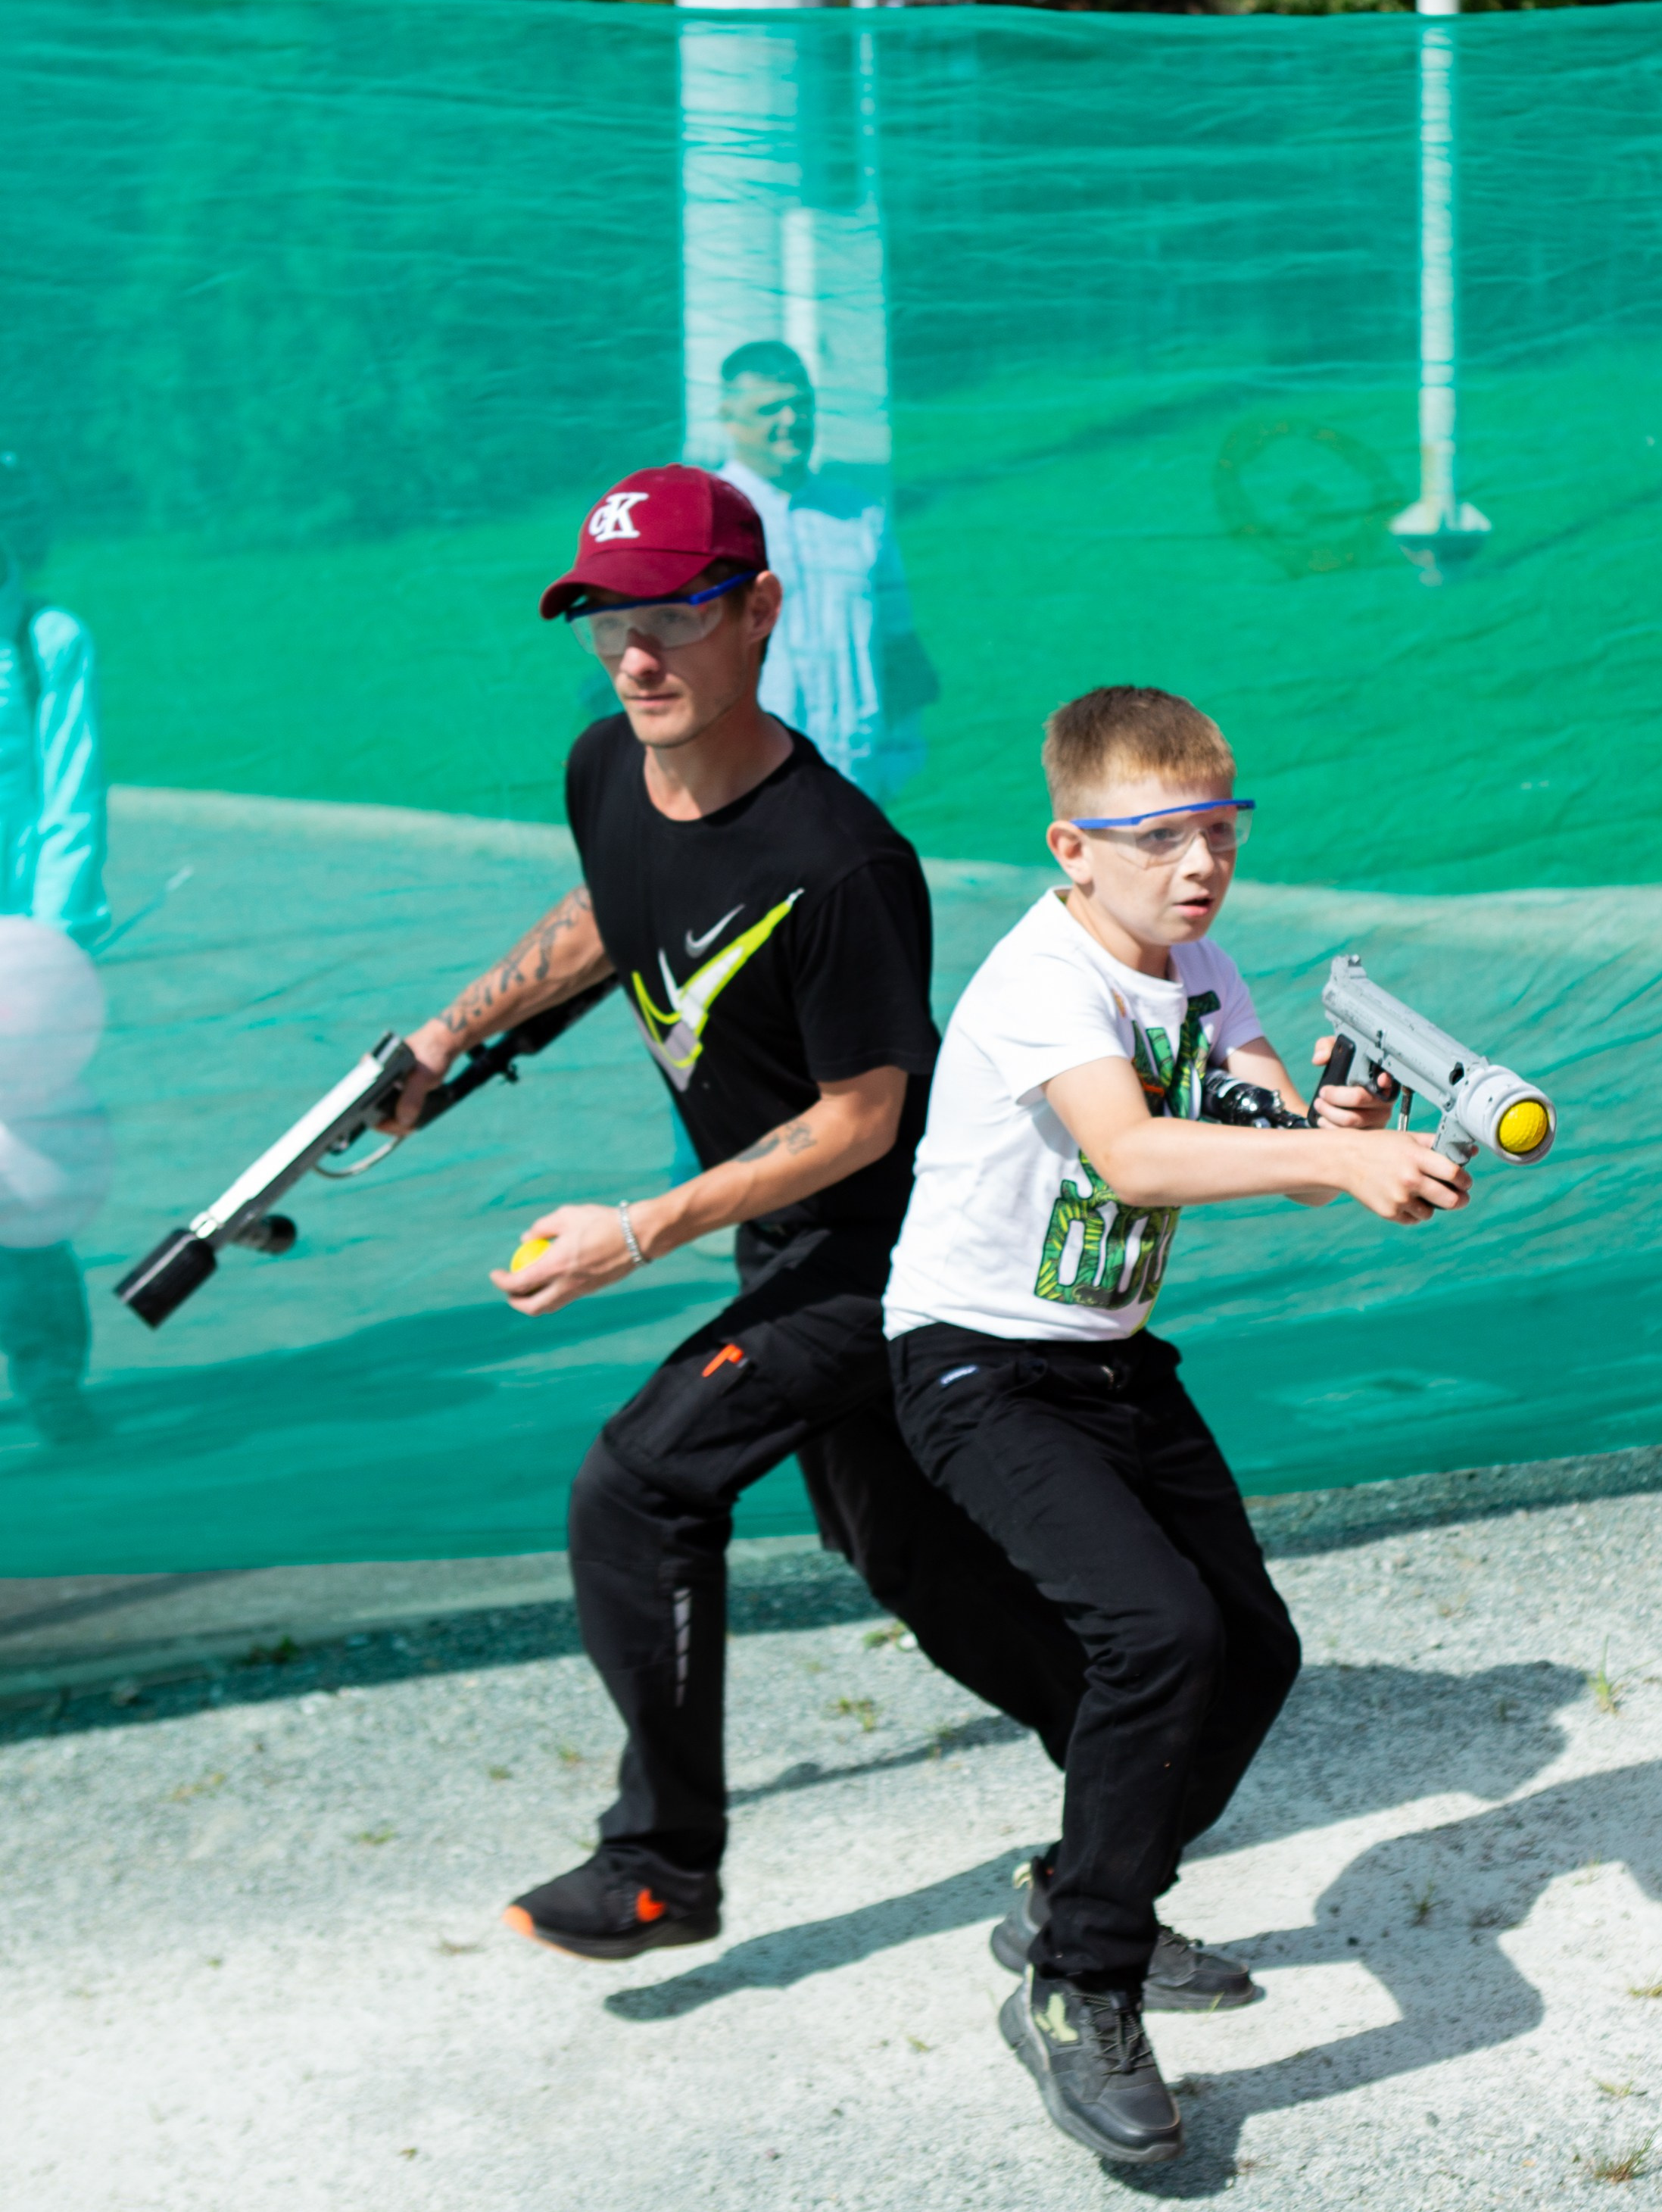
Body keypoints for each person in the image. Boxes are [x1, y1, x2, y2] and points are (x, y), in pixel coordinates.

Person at [386, 463, 1084, 1960]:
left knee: (636, 1483)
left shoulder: (840, 862)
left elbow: (862, 1117)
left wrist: (635, 1229)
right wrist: (450, 1038)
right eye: (601, 619)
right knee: (904, 1550)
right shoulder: (603, 768)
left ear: (759, 610)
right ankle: (1135, 1722)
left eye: (673, 615)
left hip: (896, 1246)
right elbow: (607, 910)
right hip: (800, 1240)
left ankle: (659, 1864)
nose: (635, 652)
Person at [883, 683, 1472, 2167]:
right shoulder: (1045, 979)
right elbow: (1135, 1151)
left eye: (1219, 826)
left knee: (1250, 1648)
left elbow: (1251, 1107)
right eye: (1158, 836)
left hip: (1108, 1360)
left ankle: (1082, 1891)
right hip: (975, 1364)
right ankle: (1081, 1980)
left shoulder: (1194, 959)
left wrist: (1329, 1137)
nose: (1199, 861)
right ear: (1071, 846)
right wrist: (1338, 1171)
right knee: (1158, 1633)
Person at [0, 450, 108, 1446]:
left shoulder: (45, 640)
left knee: (25, 1170)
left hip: (16, 957)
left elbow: (72, 802)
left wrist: (46, 947)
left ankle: (46, 1374)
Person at [716, 340, 937, 804]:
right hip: (743, 773)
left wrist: (896, 756)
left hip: (854, 767)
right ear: (728, 415)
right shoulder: (706, 515)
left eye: (801, 405)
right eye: (769, 409)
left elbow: (898, 642)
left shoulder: (860, 515)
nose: (790, 422)